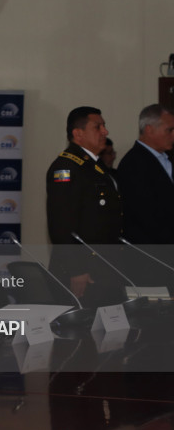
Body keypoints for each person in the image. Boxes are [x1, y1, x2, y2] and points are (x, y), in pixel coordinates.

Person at [45, 106, 123, 306]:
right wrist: (76, 269)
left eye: (104, 126)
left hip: (103, 266)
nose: (105, 131)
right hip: (84, 271)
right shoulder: (67, 167)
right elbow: (61, 225)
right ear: (78, 133)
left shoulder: (94, 166)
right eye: (98, 127)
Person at [116, 104, 174, 289]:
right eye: (169, 130)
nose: (173, 135)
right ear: (149, 129)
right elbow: (146, 216)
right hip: (150, 260)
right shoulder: (134, 163)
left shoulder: (167, 159)